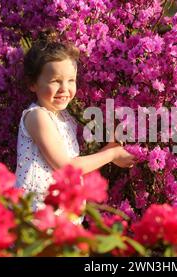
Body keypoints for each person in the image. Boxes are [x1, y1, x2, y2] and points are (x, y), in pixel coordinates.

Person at [15, 32, 135, 213]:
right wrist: (111, 155)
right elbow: (66, 166)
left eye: (71, 80)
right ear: (33, 84)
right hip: (37, 214)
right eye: (56, 81)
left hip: (60, 212)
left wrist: (109, 150)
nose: (65, 88)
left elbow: (74, 164)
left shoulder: (64, 119)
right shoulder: (37, 116)